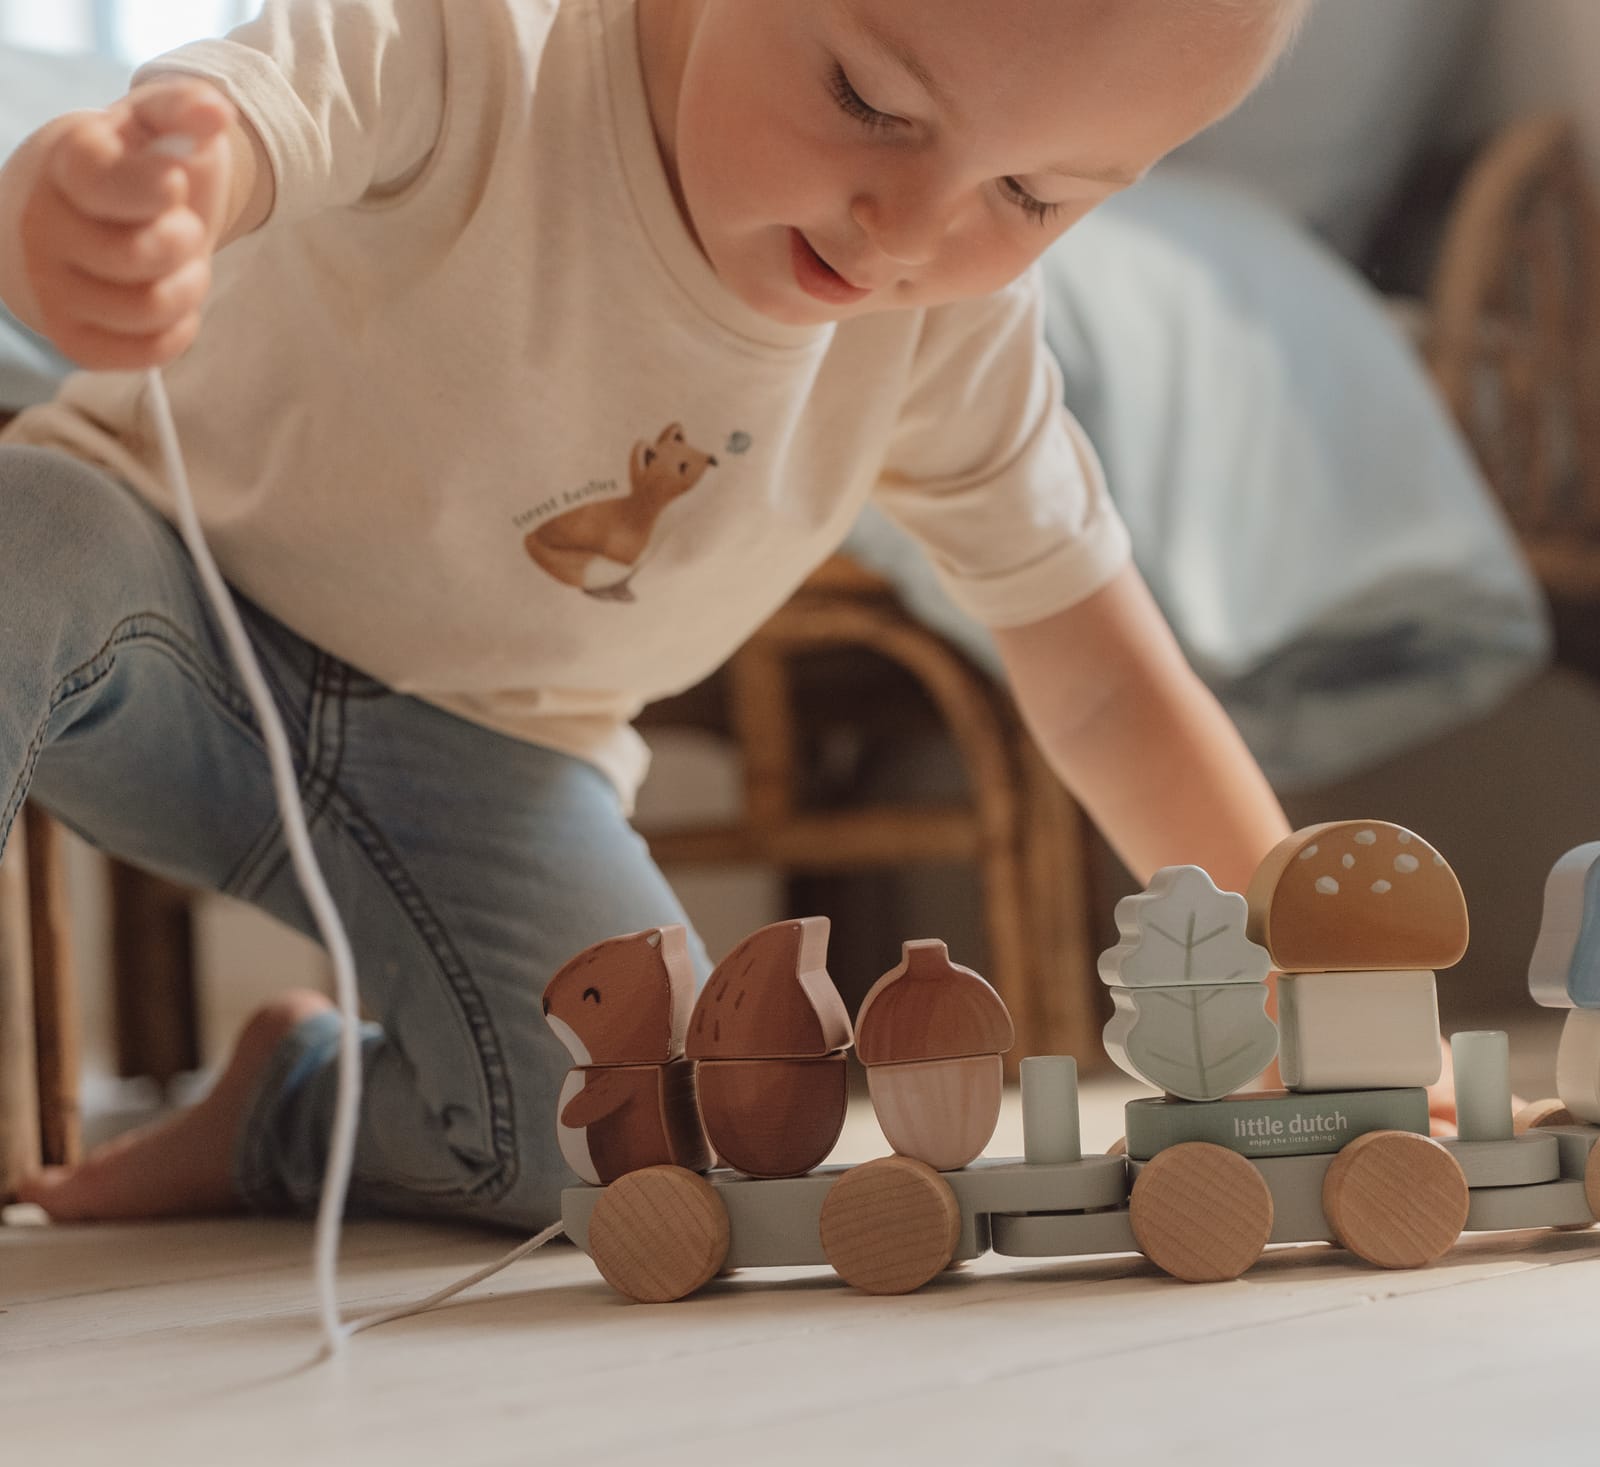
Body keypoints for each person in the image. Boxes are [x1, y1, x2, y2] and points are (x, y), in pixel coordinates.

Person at [0, 0, 1308, 1229]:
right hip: (159, 635)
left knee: (642, 1138)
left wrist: (1307, 992)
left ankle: (288, 1113)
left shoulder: (953, 331)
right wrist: (95, 215)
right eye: (867, 97)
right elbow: (217, 138)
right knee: (25, 525)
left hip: (493, 758)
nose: (906, 226)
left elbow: (1105, 684)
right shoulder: (478, 47)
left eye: (1032, 195)